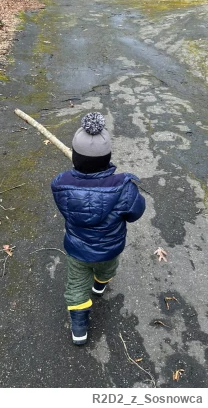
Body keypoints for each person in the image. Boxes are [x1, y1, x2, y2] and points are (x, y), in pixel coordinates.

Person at [51, 112, 146, 345]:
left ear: (74, 157)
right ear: (108, 157)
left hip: (77, 250)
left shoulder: (61, 184)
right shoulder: (124, 188)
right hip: (109, 248)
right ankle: (100, 286)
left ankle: (80, 329)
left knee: (75, 287)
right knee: (106, 269)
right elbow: (136, 214)